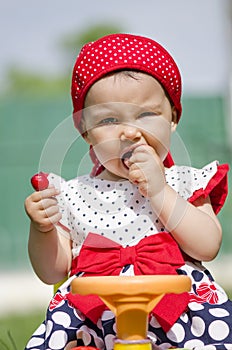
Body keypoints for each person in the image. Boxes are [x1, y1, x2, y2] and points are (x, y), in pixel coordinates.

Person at [24, 33, 231, 350]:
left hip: (178, 316)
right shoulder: (73, 195)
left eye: (147, 114)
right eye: (109, 119)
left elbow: (207, 246)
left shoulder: (184, 182)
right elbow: (53, 271)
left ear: (173, 119)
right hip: (91, 319)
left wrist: (160, 191)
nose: (131, 132)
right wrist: (42, 228)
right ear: (86, 133)